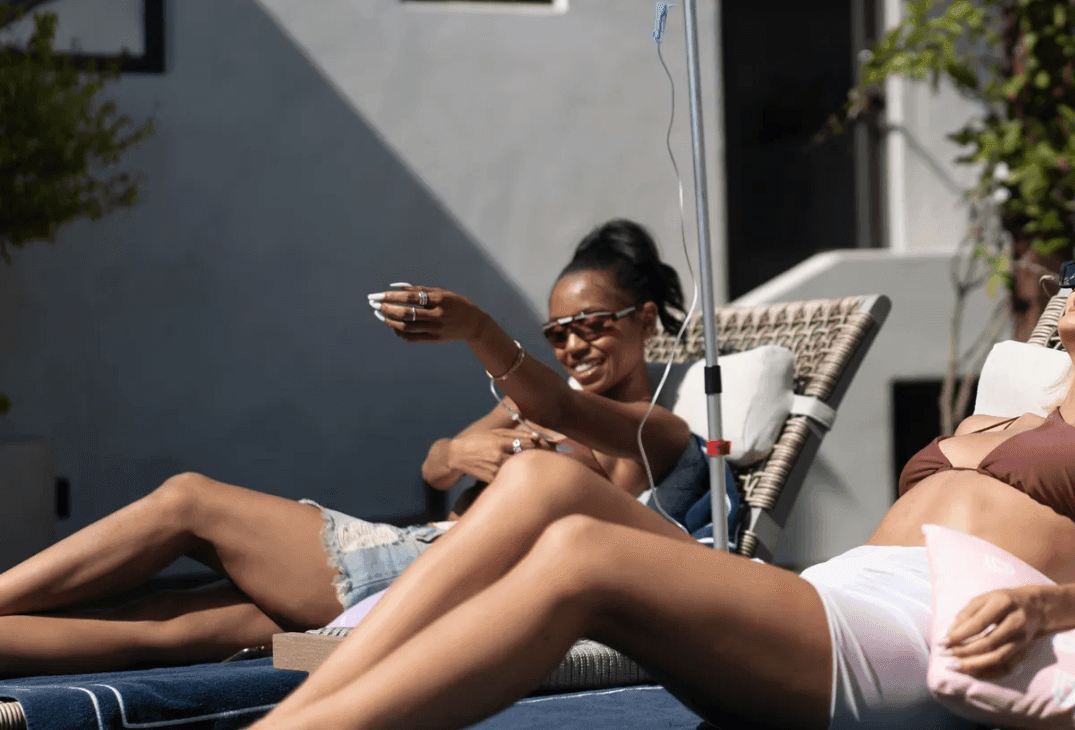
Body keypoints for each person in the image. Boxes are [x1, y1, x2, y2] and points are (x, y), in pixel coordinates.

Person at [247, 232, 1075, 730]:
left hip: (898, 644)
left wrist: (1044, 609)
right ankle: (309, 696)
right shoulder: (999, 416)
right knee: (542, 491)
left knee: (582, 552)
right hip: (828, 598)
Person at [0, 219, 720, 676]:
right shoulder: (527, 404)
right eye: (558, 332)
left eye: (591, 323)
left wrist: (477, 329)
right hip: (421, 574)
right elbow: (437, 463)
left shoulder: (660, 430)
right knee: (162, 632)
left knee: (190, 500)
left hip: (421, 581)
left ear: (645, 318)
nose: (572, 344)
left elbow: (558, 405)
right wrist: (461, 451)